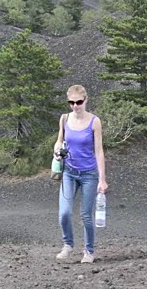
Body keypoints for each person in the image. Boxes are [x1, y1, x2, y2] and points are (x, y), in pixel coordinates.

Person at [53, 85, 108, 264]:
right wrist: (57, 151)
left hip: (89, 173)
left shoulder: (94, 122)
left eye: (78, 102)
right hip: (69, 171)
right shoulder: (64, 119)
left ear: (86, 100)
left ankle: (89, 251)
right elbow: (59, 140)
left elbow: (99, 151)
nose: (75, 106)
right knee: (64, 213)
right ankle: (68, 244)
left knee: (86, 214)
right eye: (71, 102)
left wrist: (102, 179)